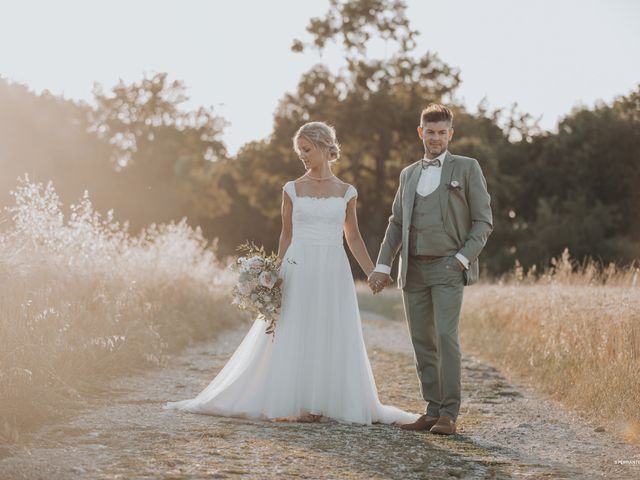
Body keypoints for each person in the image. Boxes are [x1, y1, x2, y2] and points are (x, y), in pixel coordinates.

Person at [164, 121, 419, 425]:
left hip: (333, 267)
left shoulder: (347, 192)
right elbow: (286, 235)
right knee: (296, 327)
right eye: (300, 152)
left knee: (329, 329)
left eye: (308, 150)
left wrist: (371, 272)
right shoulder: (292, 189)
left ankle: (324, 401)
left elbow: (353, 237)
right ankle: (299, 402)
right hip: (298, 264)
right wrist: (272, 275)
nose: (304, 157)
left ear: (325, 145)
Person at [368, 104, 493, 435]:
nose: (435, 138)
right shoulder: (408, 174)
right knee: (421, 339)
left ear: (450, 134)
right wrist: (383, 265)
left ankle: (449, 413)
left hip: (449, 267)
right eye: (430, 132)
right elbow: (396, 222)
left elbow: (483, 221)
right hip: (413, 270)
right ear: (420, 132)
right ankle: (432, 409)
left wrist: (462, 259)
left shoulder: (467, 168)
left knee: (445, 336)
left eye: (442, 132)